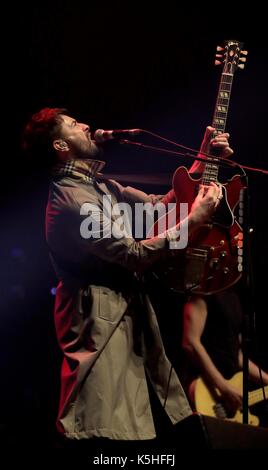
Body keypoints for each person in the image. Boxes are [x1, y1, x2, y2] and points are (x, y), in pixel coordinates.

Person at [22, 107, 232, 444]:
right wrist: (194, 220)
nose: (87, 124)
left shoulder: (97, 186)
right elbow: (135, 255)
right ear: (61, 146)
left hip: (127, 321)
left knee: (134, 424)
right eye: (75, 124)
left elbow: (158, 209)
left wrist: (201, 160)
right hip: (100, 330)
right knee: (104, 427)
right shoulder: (73, 201)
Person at [181, 290, 268, 422]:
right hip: (205, 390)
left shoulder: (234, 298)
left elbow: (236, 355)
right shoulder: (203, 291)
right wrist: (224, 387)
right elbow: (190, 343)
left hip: (228, 398)